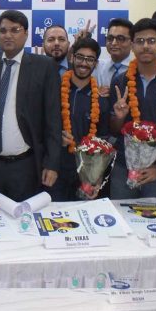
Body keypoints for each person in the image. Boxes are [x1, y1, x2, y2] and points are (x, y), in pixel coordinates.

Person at [0, 10, 61, 202]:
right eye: (3, 30)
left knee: (22, 222)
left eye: (15, 30)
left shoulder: (44, 66)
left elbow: (53, 119)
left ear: (26, 34)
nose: (8, 35)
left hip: (25, 164)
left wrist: (52, 163)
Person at [110, 18, 156, 200]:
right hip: (123, 167)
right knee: (122, 221)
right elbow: (113, 129)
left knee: (154, 224)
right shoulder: (120, 81)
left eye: (151, 41)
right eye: (140, 41)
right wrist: (120, 116)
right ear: (132, 46)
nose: (145, 46)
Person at [49, 38, 110, 201]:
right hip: (55, 169)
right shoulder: (53, 91)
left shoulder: (101, 99)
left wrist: (96, 176)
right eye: (80, 57)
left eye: (90, 59)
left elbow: (103, 140)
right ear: (72, 58)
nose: (84, 63)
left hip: (86, 173)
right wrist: (56, 138)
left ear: (96, 64)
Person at [94, 18, 134, 96]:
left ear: (132, 42)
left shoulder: (139, 68)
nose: (114, 43)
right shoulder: (98, 66)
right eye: (110, 38)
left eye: (120, 39)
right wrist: (95, 93)